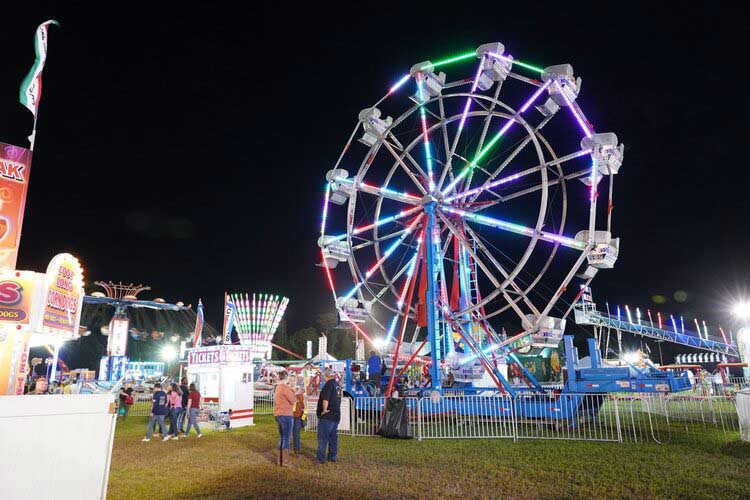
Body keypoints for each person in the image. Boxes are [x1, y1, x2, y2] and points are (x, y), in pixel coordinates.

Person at [316, 368, 341, 464]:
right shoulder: (337, 385)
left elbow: (325, 399)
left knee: (322, 438)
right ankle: (332, 456)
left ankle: (320, 458)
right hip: (336, 414)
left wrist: (324, 410)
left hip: (328, 416)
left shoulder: (328, 385)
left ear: (326, 376)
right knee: (333, 437)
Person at [273, 370, 295, 466]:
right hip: (286, 414)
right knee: (286, 438)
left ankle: (280, 460)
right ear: (286, 378)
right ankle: (285, 461)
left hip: (278, 414)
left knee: (282, 437)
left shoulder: (277, 388)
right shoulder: (285, 388)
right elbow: (293, 400)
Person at [291, 377, 305, 456]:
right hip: (289, 415)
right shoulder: (287, 390)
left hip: (298, 415)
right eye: (290, 380)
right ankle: (284, 449)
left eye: (293, 380)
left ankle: (297, 450)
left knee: (296, 433)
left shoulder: (299, 391)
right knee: (287, 434)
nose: (292, 382)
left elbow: (302, 402)